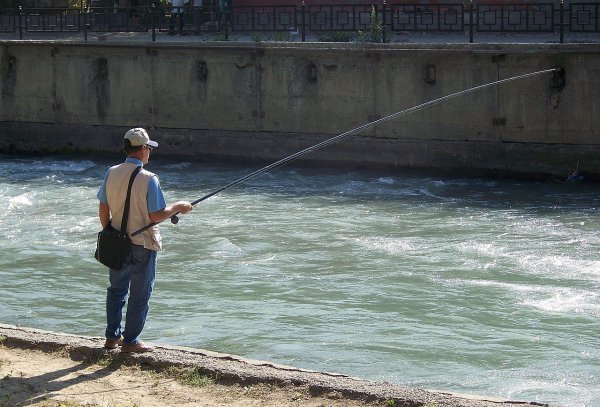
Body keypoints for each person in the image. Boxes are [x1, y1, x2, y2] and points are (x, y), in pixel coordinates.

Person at [97, 128, 192, 353]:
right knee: (140, 293)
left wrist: (110, 232)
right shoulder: (149, 179)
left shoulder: (111, 172)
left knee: (116, 290)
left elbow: (103, 208)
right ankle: (130, 341)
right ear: (142, 149)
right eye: (148, 147)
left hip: (116, 242)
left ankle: (112, 338)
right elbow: (156, 216)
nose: (149, 152)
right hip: (142, 244)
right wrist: (179, 207)